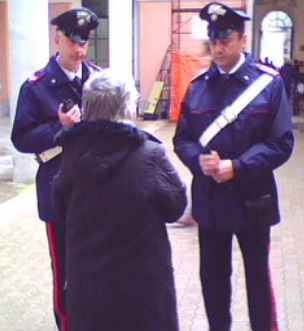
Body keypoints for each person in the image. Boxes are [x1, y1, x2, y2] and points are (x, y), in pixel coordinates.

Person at [173, 2, 294, 331]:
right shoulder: (197, 87)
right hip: (211, 202)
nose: (219, 47)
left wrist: (238, 166)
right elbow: (182, 139)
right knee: (213, 280)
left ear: (243, 40)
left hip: (253, 200)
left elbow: (282, 143)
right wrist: (197, 160)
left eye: (226, 40)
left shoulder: (268, 85)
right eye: (213, 41)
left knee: (257, 279)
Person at [52, 69, 187, 331]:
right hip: (142, 292)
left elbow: (59, 207)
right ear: (127, 108)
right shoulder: (150, 154)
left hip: (90, 290)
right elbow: (176, 206)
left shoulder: (72, 153)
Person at [11, 7, 100, 331]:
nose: (79, 50)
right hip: (58, 191)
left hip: (97, 190)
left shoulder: (97, 79)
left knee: (96, 266)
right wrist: (59, 130)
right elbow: (20, 138)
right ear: (58, 39)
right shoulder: (36, 87)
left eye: (84, 42)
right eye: (73, 41)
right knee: (64, 271)